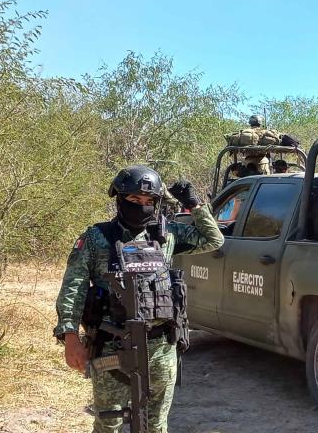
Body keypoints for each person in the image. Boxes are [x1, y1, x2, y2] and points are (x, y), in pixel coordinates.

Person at [54, 165, 224, 433]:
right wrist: (70, 336)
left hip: (160, 347)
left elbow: (214, 239)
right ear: (120, 199)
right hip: (112, 345)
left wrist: (195, 205)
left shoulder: (166, 234)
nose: (142, 206)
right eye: (134, 200)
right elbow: (73, 287)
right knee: (108, 422)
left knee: (155, 426)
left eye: (149, 201)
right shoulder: (97, 238)